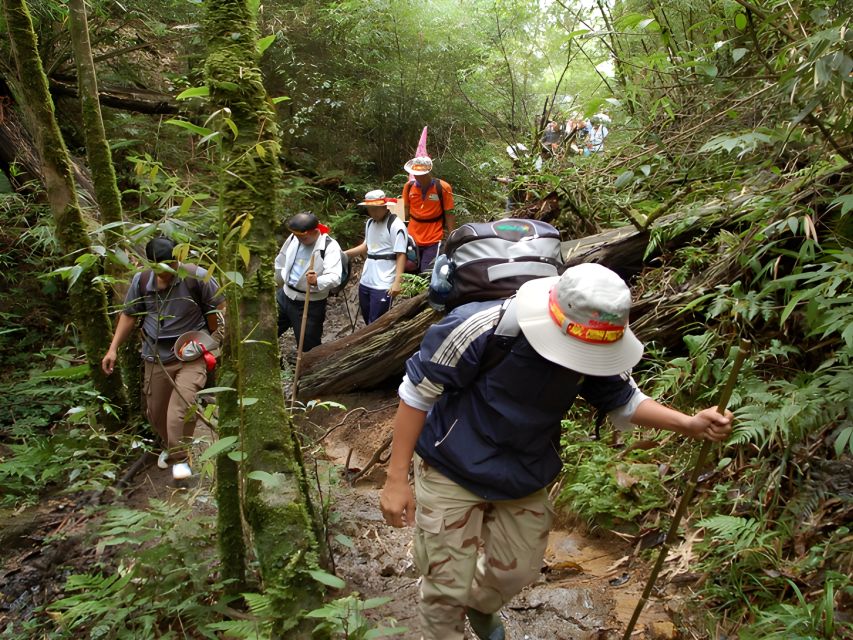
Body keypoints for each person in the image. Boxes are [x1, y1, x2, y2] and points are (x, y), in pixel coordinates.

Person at [379, 263, 733, 640]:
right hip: (452, 463)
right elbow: (416, 394)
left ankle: (480, 604)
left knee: (517, 570)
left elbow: (624, 399)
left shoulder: (598, 343)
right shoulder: (480, 327)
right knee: (444, 588)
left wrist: (689, 423)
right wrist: (396, 478)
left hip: (525, 468)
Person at [102, 236, 225, 481]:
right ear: (152, 264)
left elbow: (220, 309)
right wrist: (113, 348)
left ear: (178, 259)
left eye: (171, 265)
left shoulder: (197, 276)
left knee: (179, 411)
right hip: (155, 355)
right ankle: (174, 447)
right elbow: (129, 315)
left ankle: (180, 462)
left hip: (192, 354)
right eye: (160, 267)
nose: (167, 271)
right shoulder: (142, 281)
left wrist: (216, 341)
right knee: (156, 413)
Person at [274, 211, 343, 352]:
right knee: (269, 329)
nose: (299, 240)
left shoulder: (329, 246)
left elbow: (335, 276)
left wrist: (317, 280)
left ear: (315, 231)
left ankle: (308, 372)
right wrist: (277, 280)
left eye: (303, 238)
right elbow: (281, 258)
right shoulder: (295, 237)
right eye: (297, 236)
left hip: (309, 303)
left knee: (308, 345)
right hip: (285, 295)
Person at [345, 189, 408, 325]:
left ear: (385, 207)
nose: (373, 212)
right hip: (367, 278)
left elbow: (401, 254)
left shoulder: (396, 225)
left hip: (384, 281)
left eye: (376, 209)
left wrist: (398, 282)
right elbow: (366, 246)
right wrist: (345, 254)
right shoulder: (369, 223)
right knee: (368, 318)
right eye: (370, 209)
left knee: (377, 322)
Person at [402, 156, 455, 272]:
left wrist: (452, 236)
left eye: (421, 174)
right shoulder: (408, 187)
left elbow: (449, 213)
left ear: (428, 172)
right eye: (415, 173)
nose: (418, 176)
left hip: (434, 237)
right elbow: (405, 209)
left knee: (426, 271)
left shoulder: (443, 187)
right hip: (412, 237)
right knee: (409, 268)